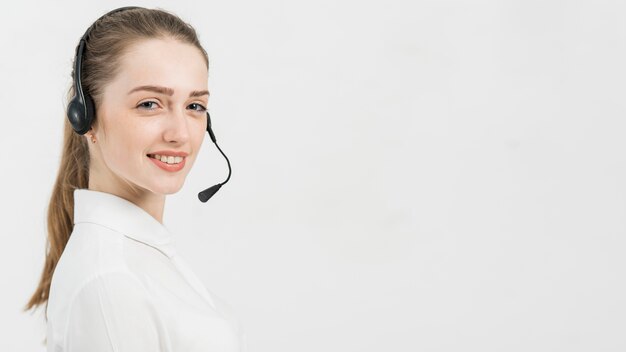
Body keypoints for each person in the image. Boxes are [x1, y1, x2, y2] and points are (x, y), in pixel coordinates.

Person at [23, 6, 247, 351]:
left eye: (194, 106)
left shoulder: (138, 258)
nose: (180, 134)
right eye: (149, 104)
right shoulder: (111, 281)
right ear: (86, 118)